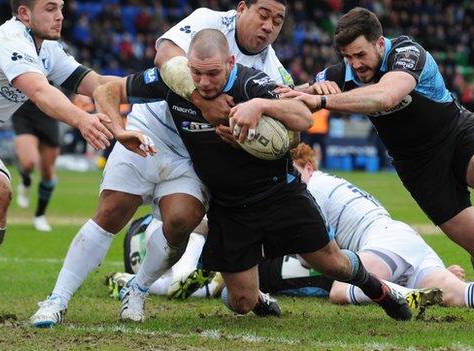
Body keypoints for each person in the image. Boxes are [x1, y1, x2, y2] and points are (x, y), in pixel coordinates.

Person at [94, 28, 412, 323]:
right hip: (230, 209)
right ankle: (257, 296)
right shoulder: (175, 82)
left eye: (214, 73)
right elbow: (108, 90)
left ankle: (380, 291)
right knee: (241, 302)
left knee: (334, 264)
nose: (204, 82)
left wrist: (259, 106)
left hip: (279, 195)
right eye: (197, 72)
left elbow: (303, 118)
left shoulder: (251, 83)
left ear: (231, 62)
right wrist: (119, 131)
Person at [29, 0, 297, 328]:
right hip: (148, 130)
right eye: (263, 14)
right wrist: (124, 129)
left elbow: (294, 128)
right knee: (112, 210)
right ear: (242, 9)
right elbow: (164, 58)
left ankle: (137, 288)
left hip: (193, 153)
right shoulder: (207, 21)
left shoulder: (272, 70)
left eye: (278, 20)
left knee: (183, 221)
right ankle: (57, 299)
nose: (269, 25)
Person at [283, 7, 474, 326]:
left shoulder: (407, 53)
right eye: (348, 57)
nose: (355, 64)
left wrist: (322, 101)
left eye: (360, 54)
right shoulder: (342, 75)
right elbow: (299, 97)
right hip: (419, 168)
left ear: (380, 44)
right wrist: (287, 97)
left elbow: (386, 96)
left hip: (457, 134)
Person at [0, 0, 151, 326]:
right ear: (24, 13)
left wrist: (157, 86)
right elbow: (41, 92)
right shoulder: (10, 39)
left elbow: (98, 84)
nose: (60, 15)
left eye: (61, 7)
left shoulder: (48, 51)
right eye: (50, 8)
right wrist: (83, 120)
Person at [110, 143, 474, 309]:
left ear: (307, 168)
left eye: (290, 170)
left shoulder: (308, 192)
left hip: (380, 243)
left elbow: (302, 245)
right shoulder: (321, 186)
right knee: (455, 293)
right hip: (400, 240)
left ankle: (400, 295)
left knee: (341, 289)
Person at [12, 101, 60, 232]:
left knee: (47, 172)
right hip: (23, 112)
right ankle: (26, 181)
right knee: (28, 163)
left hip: (48, 111)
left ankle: (40, 215)